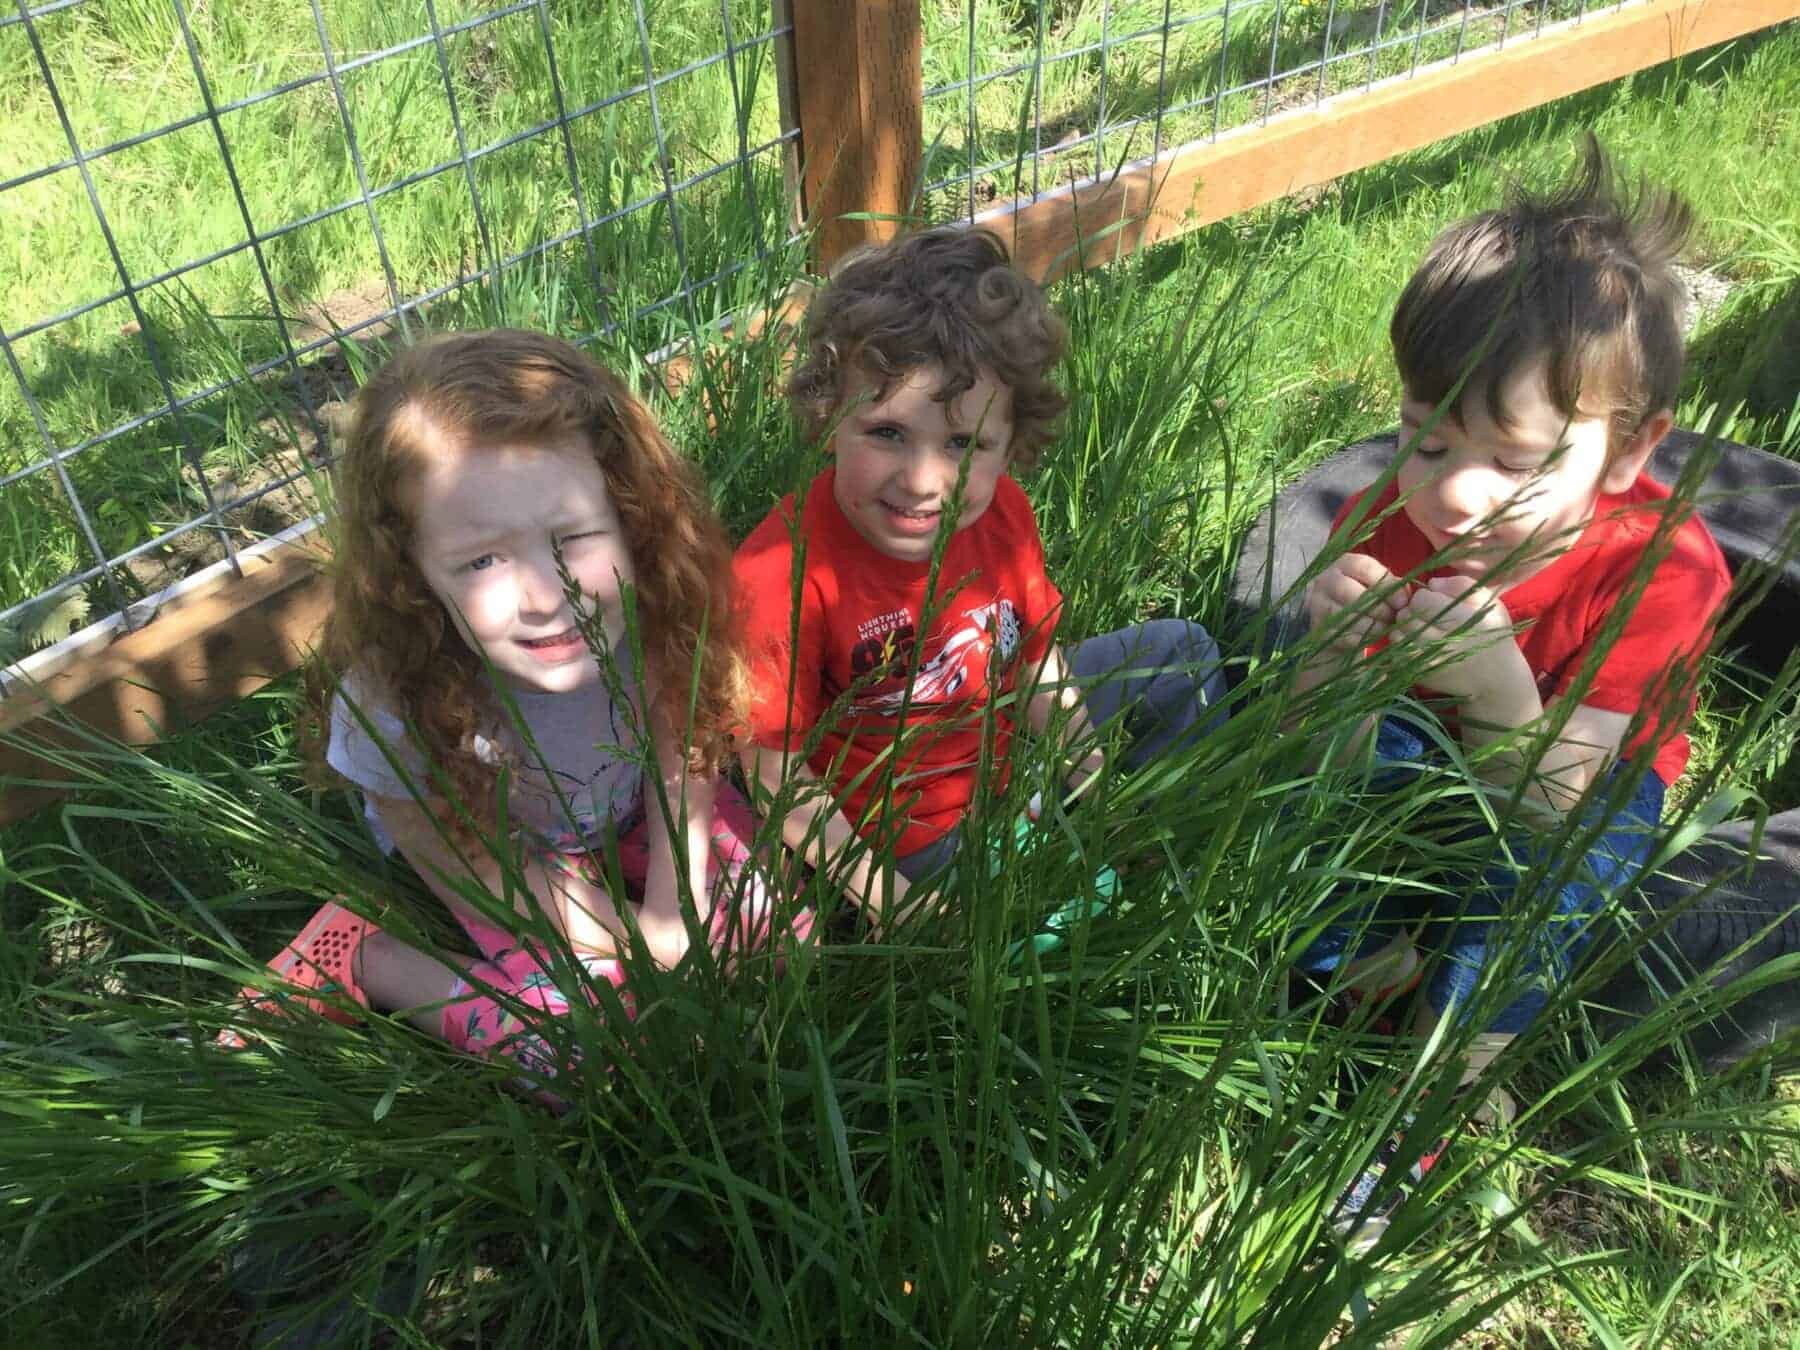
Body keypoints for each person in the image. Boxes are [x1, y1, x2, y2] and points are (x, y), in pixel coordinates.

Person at [1291, 140, 1732, 1235]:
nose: (1457, 494)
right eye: (1425, 440)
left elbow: (1558, 801)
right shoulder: (1386, 524)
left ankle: (1435, 1093)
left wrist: (1493, 686)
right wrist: (1327, 663)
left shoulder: (1663, 571)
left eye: (1516, 459)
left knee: (1531, 895)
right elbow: (1309, 750)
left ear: (1628, 452)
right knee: (1316, 827)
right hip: (1421, 744)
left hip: (1579, 781)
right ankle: (1354, 980)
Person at [226, 329, 802, 1100]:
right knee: (589, 1058)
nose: (545, 593)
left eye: (571, 537)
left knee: (784, 940)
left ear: (632, 516)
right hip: (500, 859)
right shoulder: (393, 694)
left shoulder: (657, 603)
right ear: (413, 573)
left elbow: (683, 749)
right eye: (482, 560)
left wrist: (677, 905)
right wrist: (639, 941)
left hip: (633, 813)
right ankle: (369, 957)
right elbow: (462, 861)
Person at [733, 226, 1228, 928]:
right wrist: (890, 901)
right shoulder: (778, 572)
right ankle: (1043, 886)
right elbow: (771, 771)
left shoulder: (1001, 514)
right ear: (826, 415)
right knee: (1040, 930)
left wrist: (1093, 781)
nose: (925, 482)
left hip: (995, 749)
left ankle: (1166, 852)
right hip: (897, 831)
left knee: (1182, 652)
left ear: (1011, 443)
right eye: (887, 433)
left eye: (965, 444)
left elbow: (1034, 663)